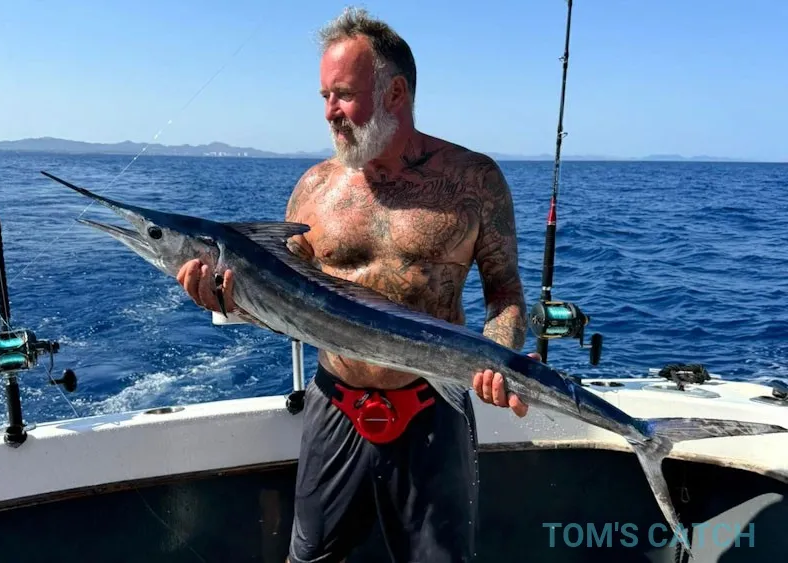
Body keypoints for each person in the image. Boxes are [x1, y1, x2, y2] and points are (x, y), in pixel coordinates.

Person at [177, 7, 539, 562]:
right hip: (335, 404)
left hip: (432, 406)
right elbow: (282, 305)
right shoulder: (313, 189)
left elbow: (506, 294)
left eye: (343, 95)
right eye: (324, 96)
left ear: (395, 93)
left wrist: (499, 357)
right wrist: (226, 300)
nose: (330, 112)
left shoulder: (473, 180)